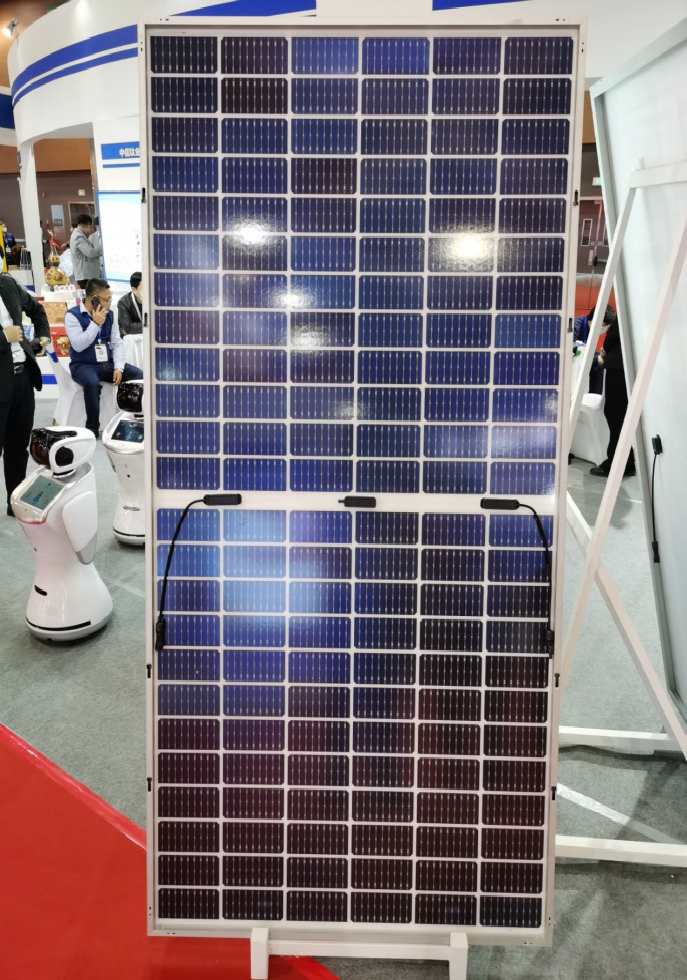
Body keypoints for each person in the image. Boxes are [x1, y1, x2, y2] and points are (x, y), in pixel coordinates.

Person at [65, 278, 142, 438]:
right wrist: (95, 324)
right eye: (107, 300)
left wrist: (119, 367)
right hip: (83, 365)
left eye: (110, 299)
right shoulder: (72, 316)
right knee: (92, 383)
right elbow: (78, 345)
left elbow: (116, 343)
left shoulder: (110, 315)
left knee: (138, 375)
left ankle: (135, 418)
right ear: (93, 298)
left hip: (107, 363)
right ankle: (92, 428)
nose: (108, 304)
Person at [0, 272, 51, 515]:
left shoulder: (7, 283)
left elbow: (37, 309)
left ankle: (15, 501)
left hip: (22, 378)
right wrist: (3, 337)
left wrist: (43, 334)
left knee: (18, 445)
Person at [590, 312, 636, 478]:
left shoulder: (627, 306)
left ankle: (615, 464)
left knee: (615, 414)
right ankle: (627, 462)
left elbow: (613, 335)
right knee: (621, 416)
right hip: (629, 367)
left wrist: (604, 351)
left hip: (618, 368)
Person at [574, 304, 613, 396]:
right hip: (570, 362)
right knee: (597, 362)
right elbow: (571, 350)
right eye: (604, 325)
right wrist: (595, 358)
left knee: (600, 364)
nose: (604, 328)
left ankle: (594, 396)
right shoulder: (575, 326)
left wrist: (600, 355)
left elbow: (589, 351)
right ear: (596, 319)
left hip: (580, 359)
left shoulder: (591, 330)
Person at [70, 214, 102, 290]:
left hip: (87, 275)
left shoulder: (80, 235)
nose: (91, 230)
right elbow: (90, 252)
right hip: (85, 276)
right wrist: (100, 250)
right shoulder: (78, 236)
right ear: (88, 226)